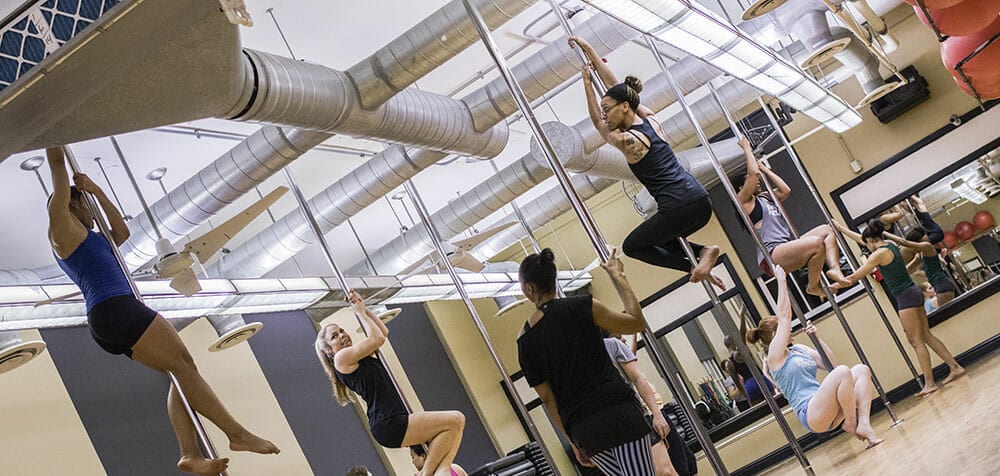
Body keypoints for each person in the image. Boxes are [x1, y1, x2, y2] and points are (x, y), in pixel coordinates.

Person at [44, 146, 279, 475]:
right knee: (185, 365)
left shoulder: (93, 236)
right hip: (113, 308)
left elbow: (122, 233)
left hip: (115, 316)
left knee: (180, 372)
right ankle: (237, 434)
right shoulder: (62, 231)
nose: (91, 212)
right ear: (73, 203)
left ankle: (190, 455)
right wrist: (54, 134)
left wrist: (96, 191)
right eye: (86, 205)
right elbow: (56, 166)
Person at [571, 36, 723, 290]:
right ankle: (703, 255)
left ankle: (698, 259)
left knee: (633, 246)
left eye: (608, 108)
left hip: (678, 206)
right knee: (657, 240)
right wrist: (590, 50)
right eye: (604, 109)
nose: (605, 114)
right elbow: (617, 86)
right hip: (699, 200)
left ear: (626, 107)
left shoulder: (628, 140)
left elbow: (598, 123)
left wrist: (586, 83)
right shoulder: (651, 121)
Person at [517, 248, 655, 475]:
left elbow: (548, 398)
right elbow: (635, 323)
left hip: (583, 427)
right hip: (617, 409)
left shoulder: (524, 339)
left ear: (529, 288)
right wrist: (618, 276)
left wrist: (572, 440)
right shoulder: (583, 306)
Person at [316, 291, 465, 476]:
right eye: (334, 337)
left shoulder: (360, 357)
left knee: (453, 427)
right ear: (329, 351)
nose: (342, 335)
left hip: (394, 417)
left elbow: (383, 332)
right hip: (387, 422)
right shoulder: (341, 359)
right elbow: (377, 338)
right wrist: (359, 312)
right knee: (456, 420)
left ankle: (439, 471)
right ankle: (427, 474)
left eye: (341, 331)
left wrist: (363, 307)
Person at [746, 265, 884, 448]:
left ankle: (864, 425)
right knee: (844, 371)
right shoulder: (774, 357)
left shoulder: (798, 349)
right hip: (811, 413)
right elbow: (785, 316)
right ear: (775, 335)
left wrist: (817, 338)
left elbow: (831, 366)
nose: (791, 329)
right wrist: (781, 279)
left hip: (827, 406)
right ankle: (851, 423)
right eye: (784, 329)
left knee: (861, 370)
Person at [836, 219, 965, 395]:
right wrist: (841, 229)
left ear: (871, 241)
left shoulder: (877, 255)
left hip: (905, 297)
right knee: (926, 335)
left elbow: (856, 276)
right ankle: (955, 367)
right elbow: (862, 239)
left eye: (867, 244)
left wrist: (838, 284)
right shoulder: (889, 245)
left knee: (915, 340)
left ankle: (929, 383)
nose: (867, 247)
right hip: (912, 292)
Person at [730, 137, 850, 296]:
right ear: (741, 188)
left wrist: (766, 170)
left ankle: (835, 269)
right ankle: (813, 286)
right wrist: (746, 148)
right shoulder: (742, 202)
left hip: (786, 245)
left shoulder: (764, 197)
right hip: (771, 255)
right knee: (816, 244)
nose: (758, 183)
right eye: (754, 183)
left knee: (827, 230)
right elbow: (753, 174)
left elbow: (785, 191)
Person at [604, 334, 698, 476]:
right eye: (619, 337)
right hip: (648, 415)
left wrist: (634, 333)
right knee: (677, 466)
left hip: (656, 413)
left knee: (688, 462)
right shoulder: (613, 354)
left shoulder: (623, 356)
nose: (623, 339)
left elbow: (630, 353)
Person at [897, 228, 959, 307]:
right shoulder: (920, 255)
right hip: (939, 285)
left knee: (948, 314)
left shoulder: (928, 247)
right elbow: (909, 270)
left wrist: (884, 233)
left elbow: (904, 242)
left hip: (942, 284)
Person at [721, 335, 769, 411]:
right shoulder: (743, 352)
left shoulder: (731, 361)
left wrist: (747, 396)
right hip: (758, 379)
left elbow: (738, 384)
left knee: (761, 409)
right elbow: (737, 387)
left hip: (751, 383)